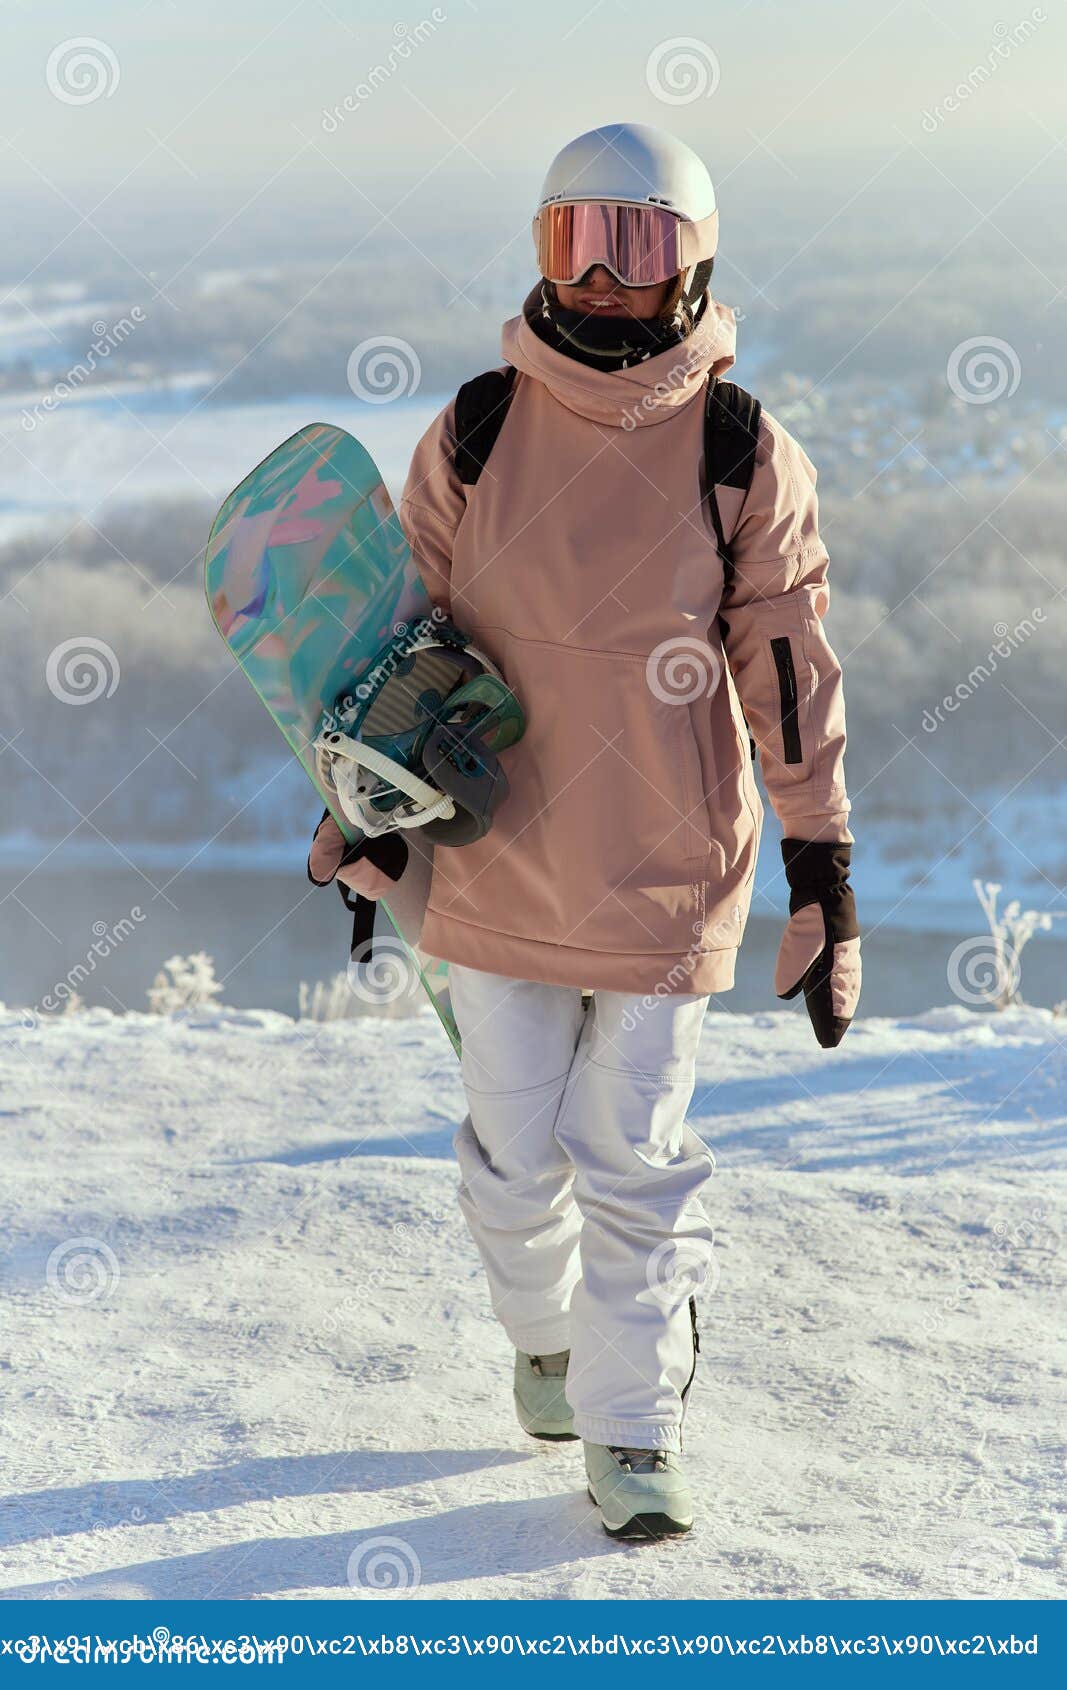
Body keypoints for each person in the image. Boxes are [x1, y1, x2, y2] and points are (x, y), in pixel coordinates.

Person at [321, 121, 860, 1539]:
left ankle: (632, 1431)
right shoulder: (482, 426)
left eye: (647, 248)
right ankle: (548, 1343)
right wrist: (367, 821)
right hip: (493, 855)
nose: (613, 282)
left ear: (698, 268)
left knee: (631, 1156)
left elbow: (788, 667)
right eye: (584, 244)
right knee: (511, 1155)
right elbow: (402, 645)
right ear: (544, 254)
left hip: (665, 872)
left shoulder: (740, 446)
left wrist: (825, 868)